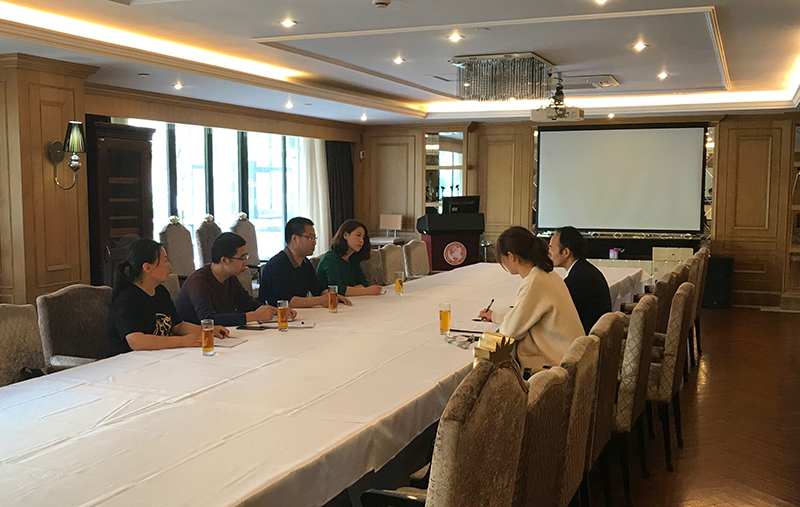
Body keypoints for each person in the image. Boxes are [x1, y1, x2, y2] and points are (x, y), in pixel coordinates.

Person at [477, 226, 584, 371]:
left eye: (502, 259)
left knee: (485, 357)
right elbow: (521, 317)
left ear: (511, 256)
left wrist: (499, 319)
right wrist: (495, 316)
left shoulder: (534, 282)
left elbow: (511, 330)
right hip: (572, 358)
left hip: (557, 367)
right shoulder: (546, 274)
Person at [106, 238, 229, 357]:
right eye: (164, 261)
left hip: (160, 356)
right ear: (147, 267)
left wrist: (207, 330)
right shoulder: (127, 298)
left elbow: (178, 326)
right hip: (129, 361)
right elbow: (138, 342)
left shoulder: (160, 291)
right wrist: (183, 341)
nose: (169, 266)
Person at [175, 232, 296, 326]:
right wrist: (253, 316)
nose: (245, 263)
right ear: (224, 260)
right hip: (196, 340)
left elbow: (246, 303)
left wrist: (276, 311)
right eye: (242, 258)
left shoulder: (230, 277)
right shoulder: (199, 281)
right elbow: (208, 319)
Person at [259, 217, 353, 308]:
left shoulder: (305, 263)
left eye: (314, 238)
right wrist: (320, 300)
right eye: (310, 237)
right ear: (295, 238)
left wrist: (333, 296)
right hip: (276, 316)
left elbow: (317, 289)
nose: (314, 242)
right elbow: (286, 301)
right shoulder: (277, 265)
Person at [548, 226, 612, 334]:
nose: (549, 253)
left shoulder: (578, 279)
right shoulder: (583, 269)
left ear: (566, 252)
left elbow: (556, 314)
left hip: (587, 339)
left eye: (551, 248)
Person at [316, 220, 383, 297]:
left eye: (363, 237)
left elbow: (364, 283)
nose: (361, 241)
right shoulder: (330, 258)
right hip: (328, 302)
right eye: (358, 235)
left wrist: (351, 290)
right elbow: (336, 289)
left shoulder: (352, 258)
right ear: (345, 235)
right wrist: (366, 291)